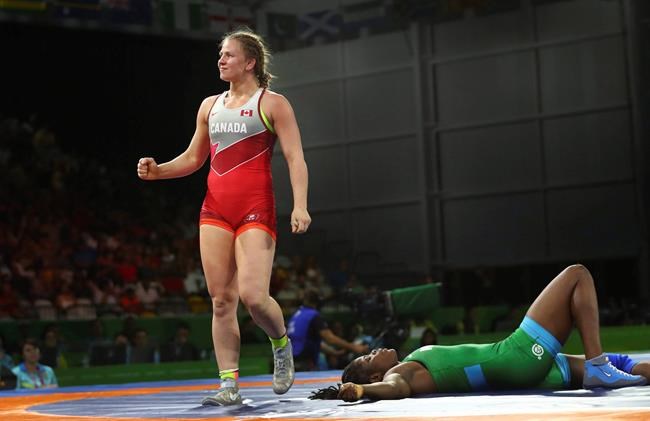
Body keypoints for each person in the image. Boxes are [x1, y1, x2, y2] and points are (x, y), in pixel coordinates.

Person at [136, 27, 310, 406]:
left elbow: (295, 157)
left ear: (250, 62)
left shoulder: (272, 103)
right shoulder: (209, 106)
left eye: (229, 55)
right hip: (215, 209)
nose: (221, 59)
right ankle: (228, 384)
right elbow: (194, 159)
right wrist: (159, 170)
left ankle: (280, 344)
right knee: (220, 300)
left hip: (255, 208)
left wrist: (300, 205)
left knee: (253, 296)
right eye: (220, 54)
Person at [310, 265, 648, 401]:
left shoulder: (411, 363)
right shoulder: (401, 372)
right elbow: (395, 388)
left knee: (627, 364)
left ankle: (600, 364)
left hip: (524, 371)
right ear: (374, 372)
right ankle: (597, 364)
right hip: (516, 356)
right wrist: (357, 389)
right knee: (577, 275)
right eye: (370, 356)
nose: (375, 349)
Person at [288, 289, 368, 371]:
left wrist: (334, 353)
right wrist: (354, 347)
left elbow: (308, 340)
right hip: (305, 362)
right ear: (317, 302)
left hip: (292, 360)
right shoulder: (313, 315)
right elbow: (330, 338)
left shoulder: (297, 315)